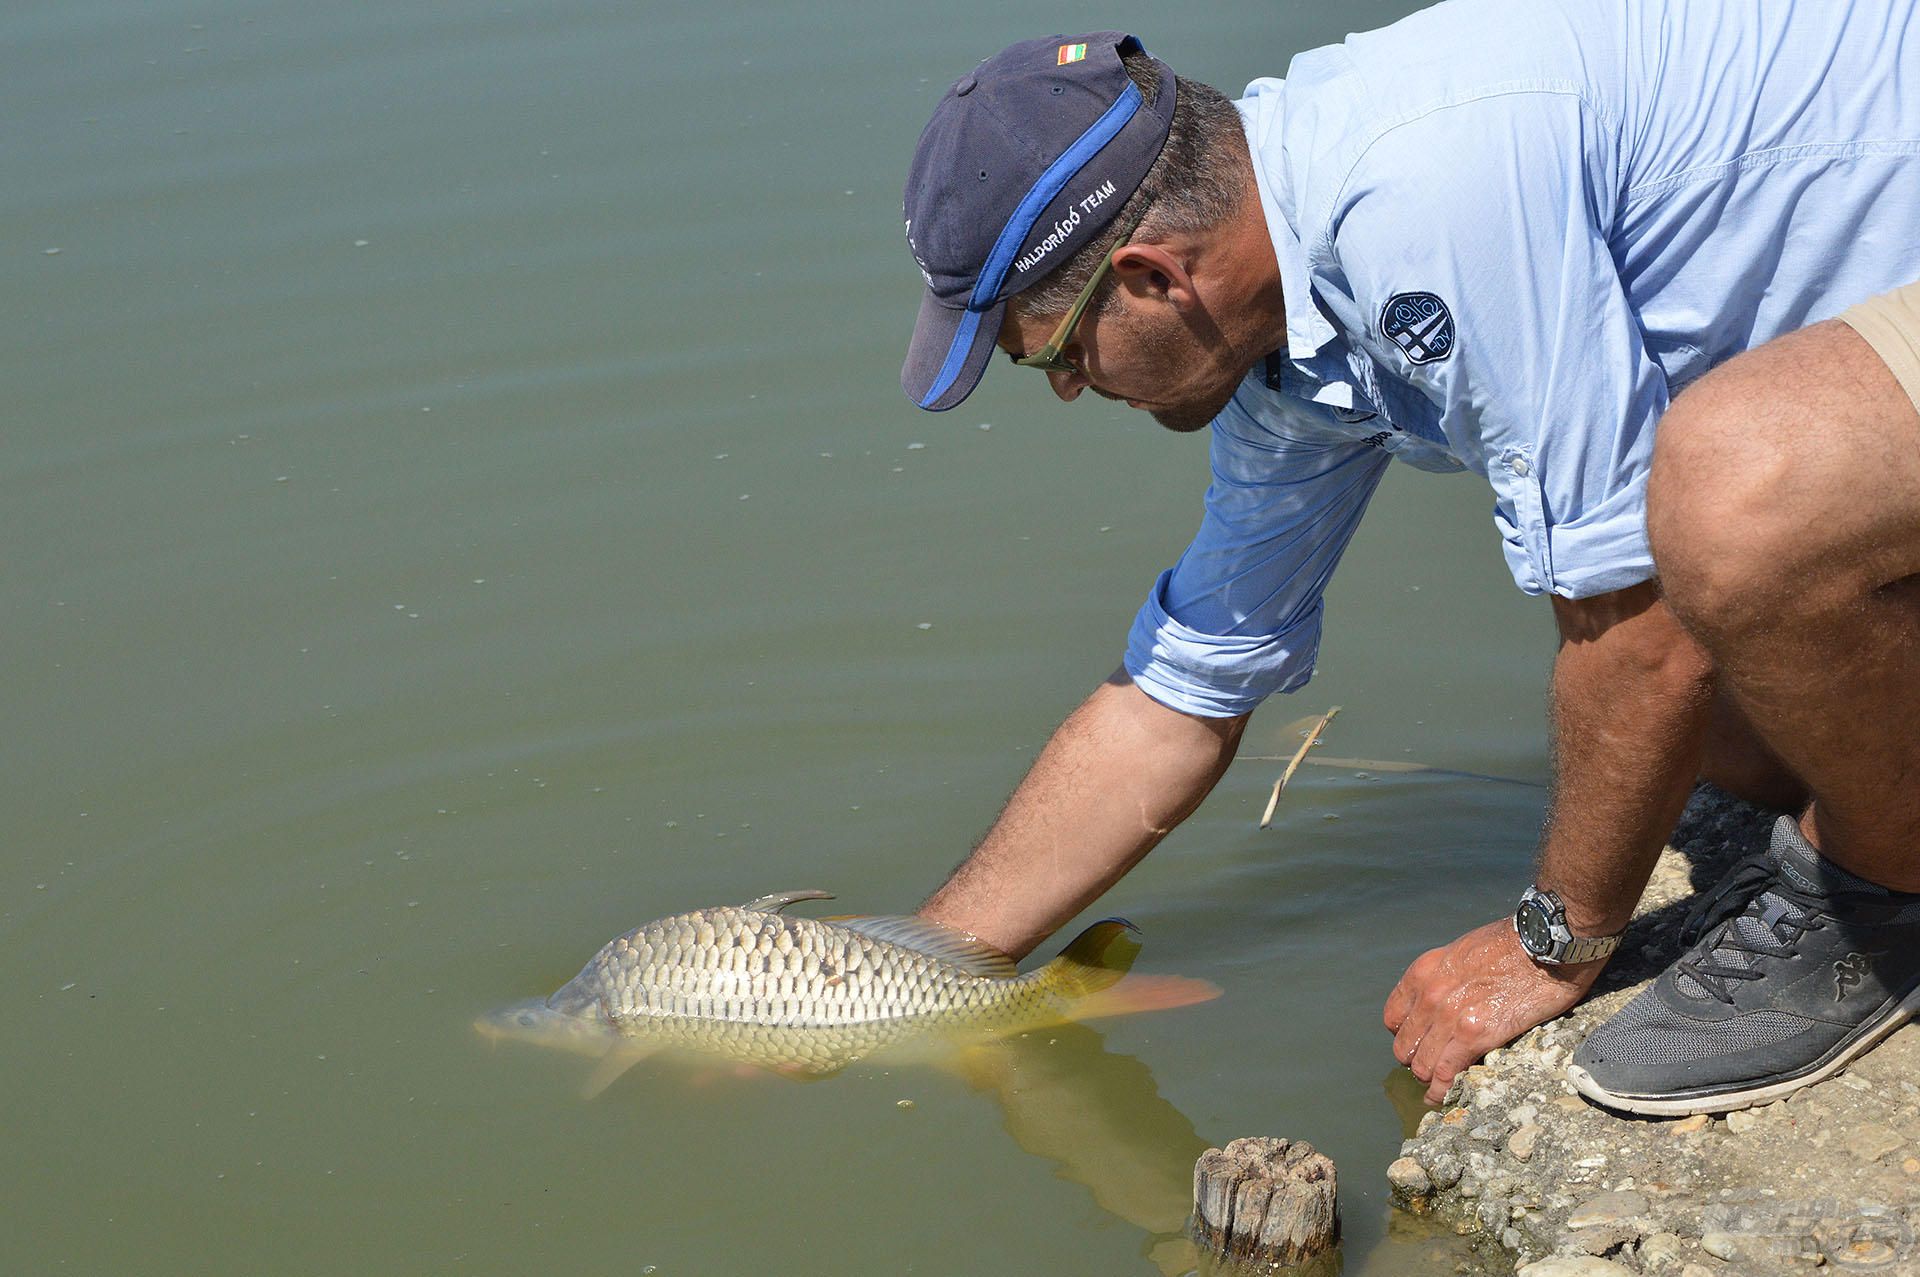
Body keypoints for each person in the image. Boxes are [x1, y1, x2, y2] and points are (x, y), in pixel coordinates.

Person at [895, 2, 1920, 1115]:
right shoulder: (1286, 317)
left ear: (1152, 279)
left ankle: (1884, 901)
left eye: (1052, 348)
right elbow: (1178, 699)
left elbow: (1637, 634)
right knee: (1729, 716)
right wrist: (906, 968)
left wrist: (1551, 938)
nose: (1065, 387)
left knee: (1730, 506)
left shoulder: (1419, 200)